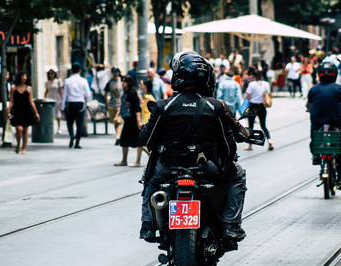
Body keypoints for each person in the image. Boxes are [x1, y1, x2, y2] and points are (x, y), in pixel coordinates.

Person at [139, 51, 246, 242]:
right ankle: (230, 225)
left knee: (150, 180)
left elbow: (146, 140)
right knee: (238, 175)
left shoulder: (164, 106)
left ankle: (147, 225)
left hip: (169, 167)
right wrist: (229, 159)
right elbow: (228, 146)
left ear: (179, 76)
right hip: (207, 166)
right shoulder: (215, 107)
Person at [306, 62, 341, 190]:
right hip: (335, 123)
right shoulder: (340, 89)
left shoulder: (313, 90)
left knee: (314, 135)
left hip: (318, 124)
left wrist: (309, 109)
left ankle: (316, 155)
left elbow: (308, 106)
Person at [7, 70, 40, 154]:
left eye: (26, 76)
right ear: (19, 77)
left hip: (27, 111)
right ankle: (18, 144)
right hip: (17, 111)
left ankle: (24, 148)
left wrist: (36, 113)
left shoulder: (29, 88)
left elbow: (31, 101)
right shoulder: (13, 88)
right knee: (19, 129)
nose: (24, 78)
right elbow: (11, 100)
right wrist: (8, 111)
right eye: (23, 76)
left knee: (25, 130)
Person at [113, 75, 143, 166]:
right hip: (126, 119)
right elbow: (122, 105)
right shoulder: (125, 92)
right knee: (124, 140)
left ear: (129, 83)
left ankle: (137, 161)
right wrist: (116, 116)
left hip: (133, 119)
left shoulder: (132, 93)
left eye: (124, 81)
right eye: (122, 81)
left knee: (138, 140)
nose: (122, 83)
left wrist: (138, 121)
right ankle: (124, 160)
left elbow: (137, 107)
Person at [61, 62, 92, 149]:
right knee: (79, 123)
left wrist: (62, 106)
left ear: (72, 71)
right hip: (80, 103)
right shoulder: (83, 81)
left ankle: (71, 134)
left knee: (70, 122)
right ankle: (77, 143)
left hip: (71, 103)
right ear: (80, 71)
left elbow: (64, 95)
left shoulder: (67, 81)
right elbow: (88, 94)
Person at [244, 69, 274, 151]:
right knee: (263, 125)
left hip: (253, 106)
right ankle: (269, 141)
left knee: (250, 126)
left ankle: (250, 145)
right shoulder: (266, 84)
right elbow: (269, 94)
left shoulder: (251, 84)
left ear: (254, 76)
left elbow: (248, 97)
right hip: (262, 106)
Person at [104, 67, 124, 145]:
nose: (116, 73)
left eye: (117, 72)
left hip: (120, 104)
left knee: (119, 121)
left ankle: (118, 137)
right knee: (115, 122)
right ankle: (118, 135)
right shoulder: (110, 82)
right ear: (112, 73)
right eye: (115, 72)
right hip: (112, 104)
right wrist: (107, 103)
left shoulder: (122, 81)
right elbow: (105, 93)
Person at [44, 69, 63, 134]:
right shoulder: (47, 82)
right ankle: (51, 127)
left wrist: (61, 98)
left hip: (56, 98)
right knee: (50, 113)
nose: (51, 75)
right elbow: (46, 91)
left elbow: (60, 90)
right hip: (50, 98)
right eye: (50, 73)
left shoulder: (58, 81)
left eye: (52, 73)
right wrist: (45, 98)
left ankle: (59, 127)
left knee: (57, 113)